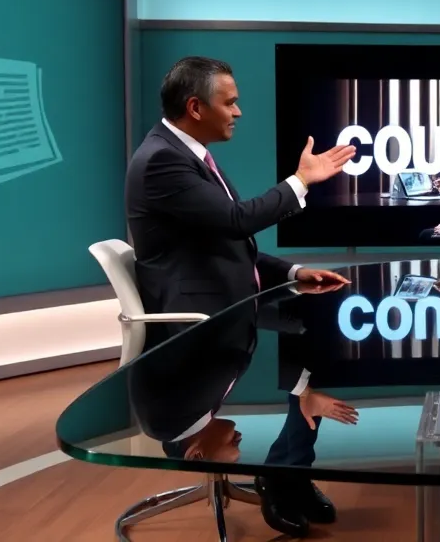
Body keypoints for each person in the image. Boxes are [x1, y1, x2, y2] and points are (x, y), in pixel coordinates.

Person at [124, 56, 359, 538]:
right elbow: (238, 222)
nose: (238, 112)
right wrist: (301, 181)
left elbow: (231, 241)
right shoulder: (163, 161)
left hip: (221, 309)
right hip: (202, 326)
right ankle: (282, 476)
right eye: (229, 102)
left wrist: (292, 272)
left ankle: (288, 473)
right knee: (302, 370)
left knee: (311, 351)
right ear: (195, 107)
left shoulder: (182, 153)